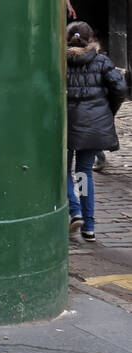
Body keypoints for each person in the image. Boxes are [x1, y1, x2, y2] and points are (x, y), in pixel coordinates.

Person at [65, 21, 126, 242]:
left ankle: (74, 210)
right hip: (92, 127)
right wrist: (107, 111)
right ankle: (88, 227)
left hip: (65, 126)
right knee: (83, 172)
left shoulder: (60, 62)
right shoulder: (101, 62)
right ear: (91, 40)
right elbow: (119, 89)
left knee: (63, 171)